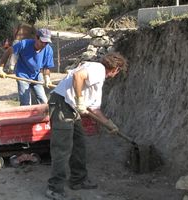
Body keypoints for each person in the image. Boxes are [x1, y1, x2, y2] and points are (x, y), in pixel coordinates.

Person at [45, 52, 128, 200]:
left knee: (79, 144)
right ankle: (54, 189)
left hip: (71, 107)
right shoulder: (98, 69)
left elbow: (94, 109)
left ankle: (78, 180)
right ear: (116, 69)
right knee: (62, 148)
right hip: (61, 104)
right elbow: (78, 76)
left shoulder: (99, 77)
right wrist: (80, 100)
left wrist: (108, 124)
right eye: (118, 71)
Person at [0, 28, 54, 106]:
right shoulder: (24, 44)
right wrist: (0, 68)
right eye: (42, 41)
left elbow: (47, 67)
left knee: (43, 101)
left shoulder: (48, 50)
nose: (44, 44)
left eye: (46, 42)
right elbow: (8, 52)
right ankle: (25, 117)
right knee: (26, 103)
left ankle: (42, 118)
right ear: (36, 38)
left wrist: (47, 77)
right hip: (23, 75)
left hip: (36, 75)